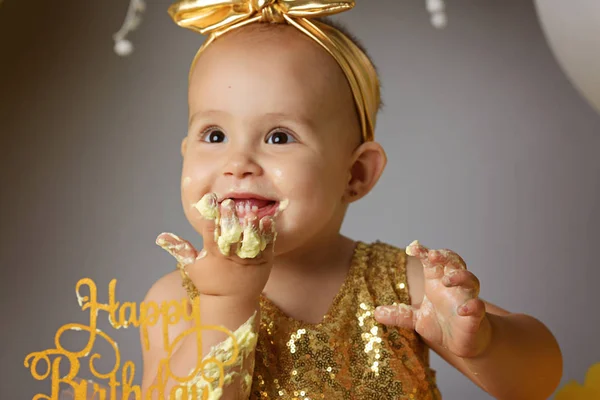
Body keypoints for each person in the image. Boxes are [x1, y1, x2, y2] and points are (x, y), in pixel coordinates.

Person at [141, 1, 563, 399]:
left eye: (279, 136)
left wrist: (482, 343)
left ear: (355, 175)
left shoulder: (399, 283)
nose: (238, 163)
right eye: (214, 135)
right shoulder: (177, 300)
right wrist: (224, 301)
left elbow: (538, 380)